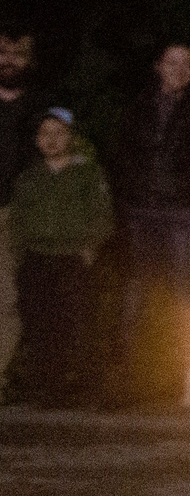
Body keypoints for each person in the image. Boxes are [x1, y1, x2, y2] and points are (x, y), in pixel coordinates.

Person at [110, 43, 190, 407]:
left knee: (187, 296)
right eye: (172, 62)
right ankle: (126, 379)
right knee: (137, 290)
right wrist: (127, 199)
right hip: (141, 209)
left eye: (187, 63)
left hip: (184, 211)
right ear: (158, 66)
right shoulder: (139, 107)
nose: (179, 69)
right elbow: (122, 155)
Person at [10, 109, 111, 403]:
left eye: (59, 133)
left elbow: (103, 215)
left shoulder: (88, 173)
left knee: (83, 325)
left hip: (74, 258)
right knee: (41, 327)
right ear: (38, 140)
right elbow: (17, 221)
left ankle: (94, 390)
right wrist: (21, 256)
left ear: (70, 137)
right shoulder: (29, 177)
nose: (52, 140)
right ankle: (48, 390)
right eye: (45, 134)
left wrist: (90, 246)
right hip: (37, 259)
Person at [0, 27, 42, 393]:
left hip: (14, 213)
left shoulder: (38, 109)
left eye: (18, 54)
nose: (9, 61)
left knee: (8, 300)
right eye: (3, 52)